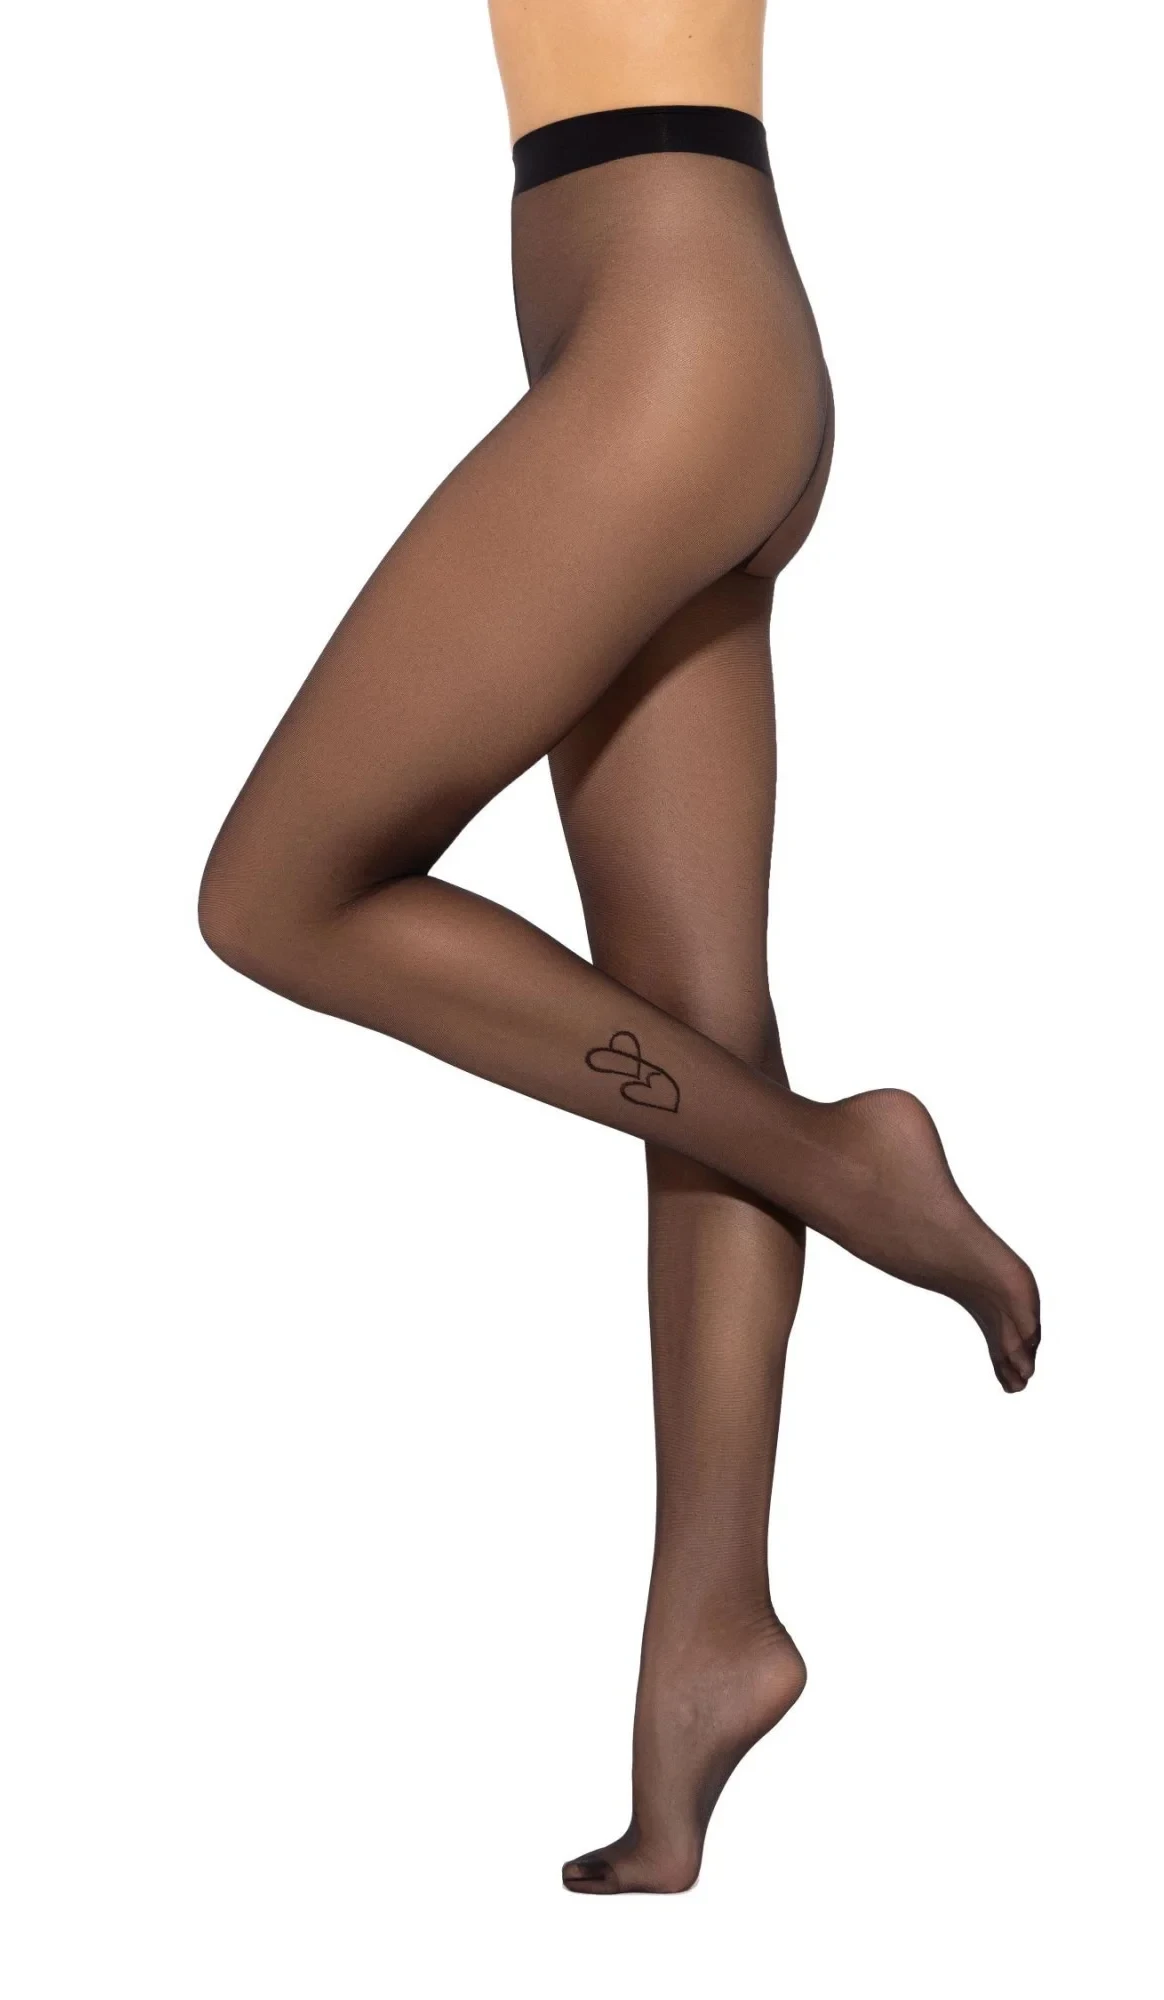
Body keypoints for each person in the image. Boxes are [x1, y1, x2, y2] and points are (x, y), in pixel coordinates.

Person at [197, 0, 1041, 1895]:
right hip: (658, 326)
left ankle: (845, 1159)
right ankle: (708, 1641)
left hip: (671, 342)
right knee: (696, 1035)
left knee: (276, 895)